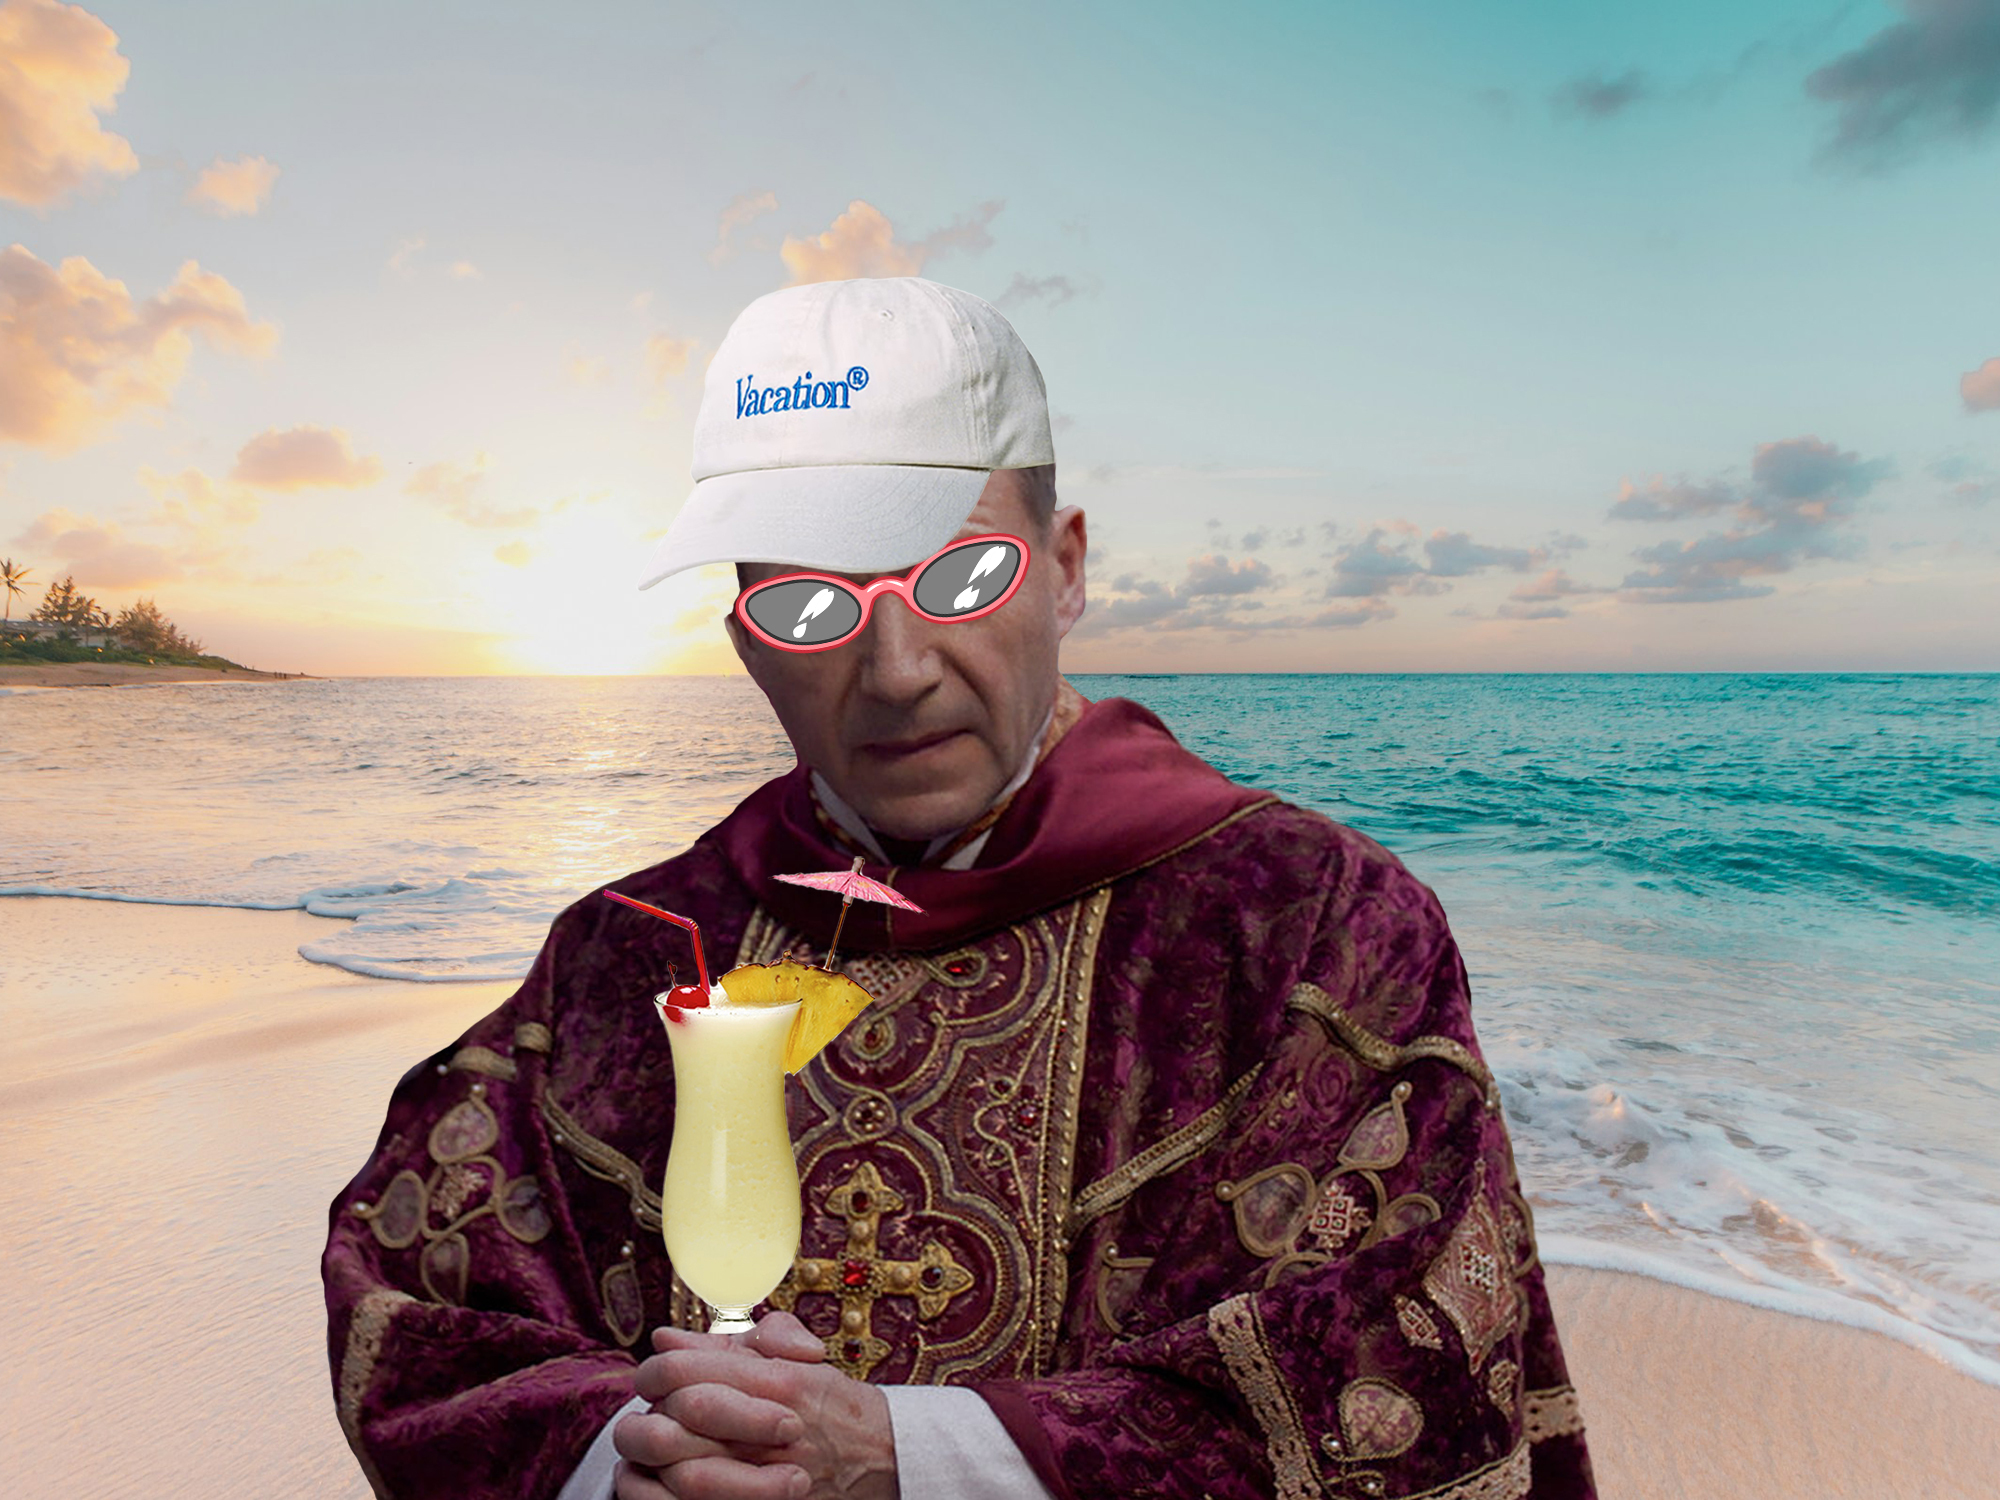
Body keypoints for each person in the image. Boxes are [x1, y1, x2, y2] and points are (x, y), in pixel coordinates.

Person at [323, 276, 1597, 1500]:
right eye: (810, 602)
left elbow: (1391, 1356)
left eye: (959, 575)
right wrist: (632, 1457)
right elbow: (417, 1292)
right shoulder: (626, 952)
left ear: (1064, 567)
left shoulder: (1309, 926)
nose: (894, 669)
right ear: (742, 640)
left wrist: (910, 1459)